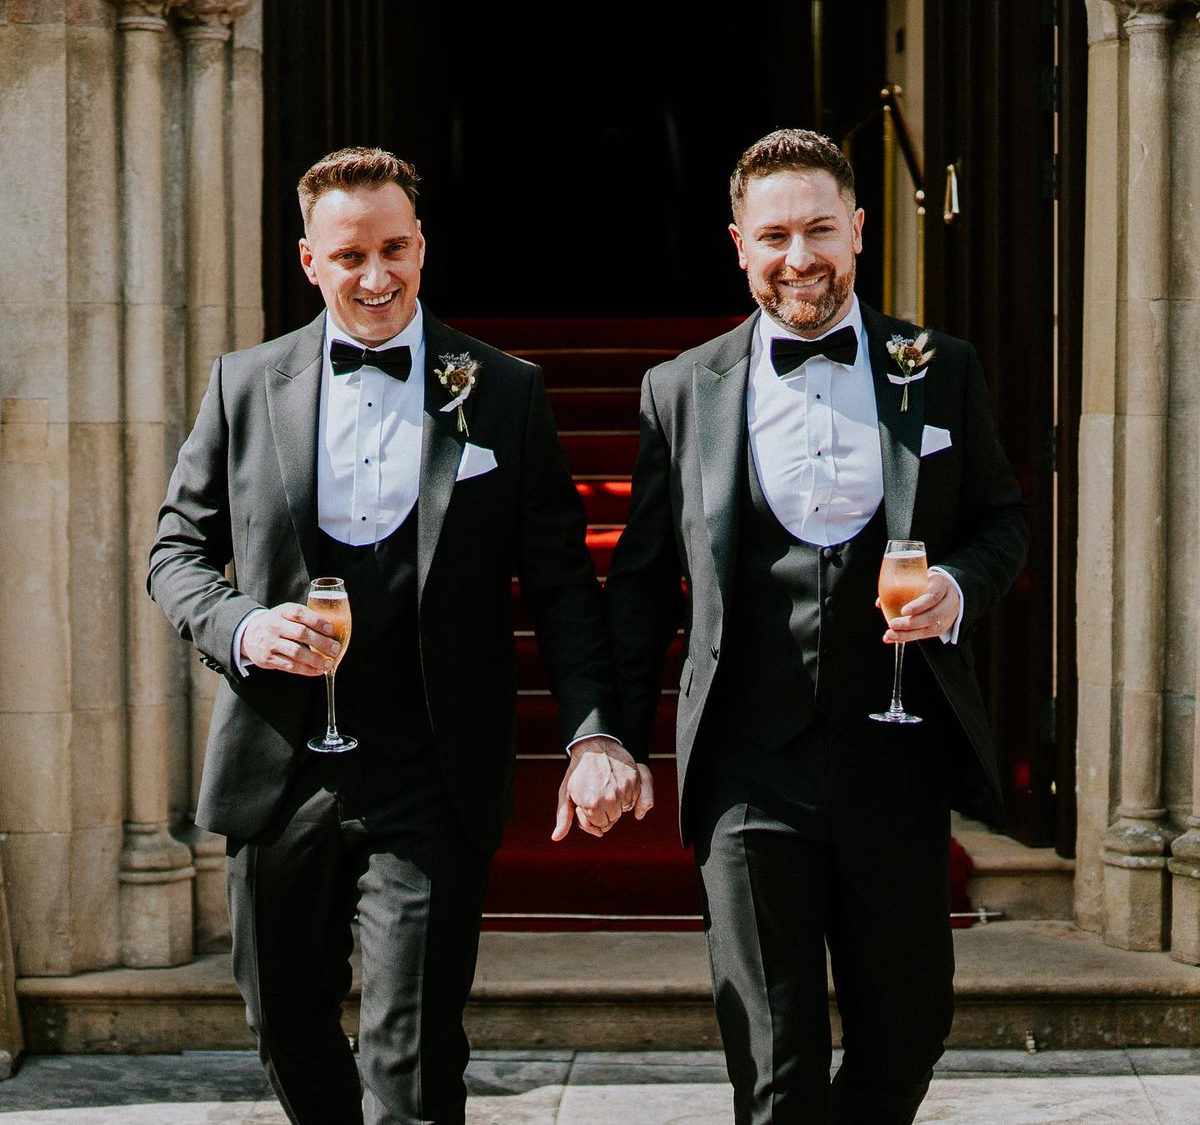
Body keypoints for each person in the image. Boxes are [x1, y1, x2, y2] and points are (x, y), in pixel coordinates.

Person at [148, 146, 645, 1125]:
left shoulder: (503, 391)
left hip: (430, 763)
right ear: (308, 262)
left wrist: (594, 730)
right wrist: (243, 625)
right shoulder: (245, 385)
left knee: (412, 1053)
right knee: (282, 1020)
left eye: (395, 250)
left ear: (423, 246)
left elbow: (561, 589)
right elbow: (176, 553)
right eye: (349, 258)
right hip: (279, 761)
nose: (376, 278)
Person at [606, 129, 1028, 1124]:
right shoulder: (680, 391)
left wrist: (959, 589)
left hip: (898, 757)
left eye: (821, 231)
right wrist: (609, 735)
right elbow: (641, 583)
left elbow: (1000, 519)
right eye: (776, 236)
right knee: (776, 1064)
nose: (800, 259)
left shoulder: (941, 367)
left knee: (910, 1030)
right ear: (739, 245)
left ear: (862, 232)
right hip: (750, 771)